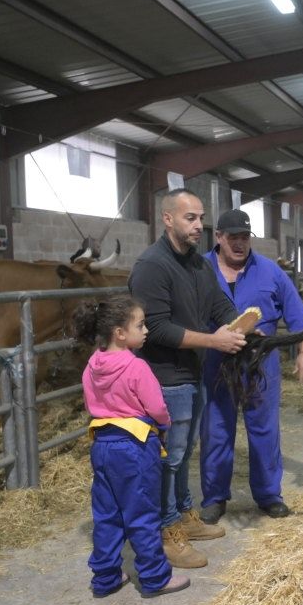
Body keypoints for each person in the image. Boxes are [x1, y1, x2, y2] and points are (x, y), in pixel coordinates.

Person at [128, 189, 245, 569]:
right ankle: (166, 532)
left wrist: (243, 324)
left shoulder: (197, 264)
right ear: (167, 219)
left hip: (190, 374)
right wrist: (215, 340)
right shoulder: (152, 265)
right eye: (190, 218)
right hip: (164, 377)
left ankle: (183, 515)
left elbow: (218, 304)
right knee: (169, 458)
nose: (199, 226)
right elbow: (157, 328)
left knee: (183, 453)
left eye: (200, 218)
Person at [198, 209, 303, 523]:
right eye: (232, 237)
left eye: (245, 237)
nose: (239, 244)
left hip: (260, 361)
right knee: (216, 428)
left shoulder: (270, 272)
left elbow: (297, 314)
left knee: (264, 428)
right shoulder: (199, 269)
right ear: (218, 237)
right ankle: (214, 497)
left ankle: (268, 495)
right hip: (215, 360)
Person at [73, 294, 189, 599]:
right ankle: (154, 577)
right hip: (135, 448)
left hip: (102, 446)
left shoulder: (92, 366)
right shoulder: (136, 367)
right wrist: (164, 426)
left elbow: (90, 403)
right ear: (120, 333)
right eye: (140, 324)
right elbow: (157, 407)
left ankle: (106, 577)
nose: (146, 330)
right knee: (142, 514)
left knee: (107, 514)